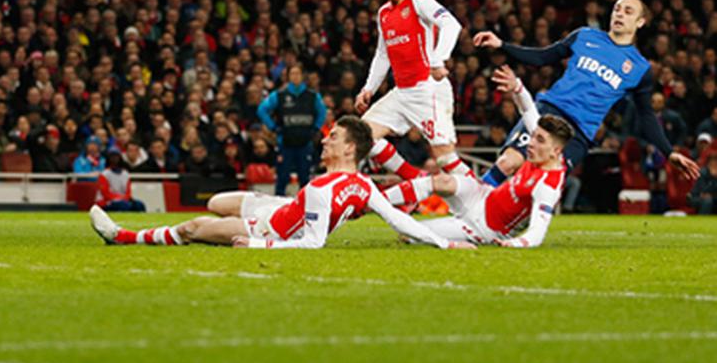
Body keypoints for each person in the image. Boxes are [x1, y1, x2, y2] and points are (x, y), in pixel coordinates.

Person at [89, 116, 473, 250]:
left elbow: (313, 243)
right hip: (278, 207)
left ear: (350, 147)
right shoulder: (364, 187)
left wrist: (259, 243)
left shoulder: (325, 189)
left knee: (195, 227)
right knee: (213, 203)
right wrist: (444, 243)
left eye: (332, 137)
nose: (324, 140)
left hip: (272, 225)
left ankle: (121, 236)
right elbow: (400, 221)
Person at [473, 0, 700, 186]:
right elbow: (543, 57)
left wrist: (668, 152)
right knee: (508, 162)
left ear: (640, 22)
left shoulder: (640, 69)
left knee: (541, 185)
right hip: (549, 112)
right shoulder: (585, 36)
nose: (619, 14)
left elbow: (646, 115)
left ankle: (502, 229)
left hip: (579, 133)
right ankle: (470, 210)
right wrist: (502, 45)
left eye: (628, 11)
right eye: (617, 9)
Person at [394, 66, 571, 248]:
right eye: (533, 137)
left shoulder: (548, 186)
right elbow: (527, 110)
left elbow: (537, 234)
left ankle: (379, 202)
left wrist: (515, 243)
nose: (531, 143)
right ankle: (375, 201)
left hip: (484, 228)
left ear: (555, 151)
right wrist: (517, 86)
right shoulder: (545, 152)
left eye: (539, 140)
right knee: (442, 181)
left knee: (409, 233)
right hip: (482, 196)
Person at [355, 0, 469, 202]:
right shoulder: (383, 13)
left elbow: (452, 24)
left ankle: (486, 200)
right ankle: (416, 179)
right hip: (402, 92)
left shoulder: (419, 1)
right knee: (359, 136)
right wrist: (368, 89)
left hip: (429, 89)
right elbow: (383, 55)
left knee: (445, 158)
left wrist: (438, 58)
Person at [257, 64, 326, 195]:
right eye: (292, 74)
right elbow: (261, 110)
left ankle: (306, 209)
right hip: (285, 142)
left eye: (298, 73)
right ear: (288, 77)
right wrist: (273, 127)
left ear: (303, 76)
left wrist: (316, 128)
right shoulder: (279, 95)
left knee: (305, 179)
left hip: (305, 143)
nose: (295, 76)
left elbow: (322, 112)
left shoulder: (313, 96)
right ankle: (277, 208)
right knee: (282, 178)